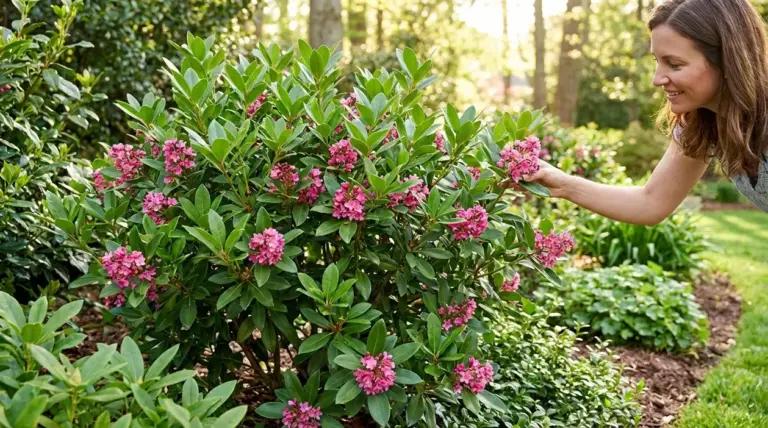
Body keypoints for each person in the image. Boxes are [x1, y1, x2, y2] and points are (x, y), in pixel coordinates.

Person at [526, 0, 768, 225]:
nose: (657, 79)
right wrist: (564, 184)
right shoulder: (702, 123)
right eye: (657, 61)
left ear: (728, 61)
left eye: (674, 64)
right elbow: (650, 202)